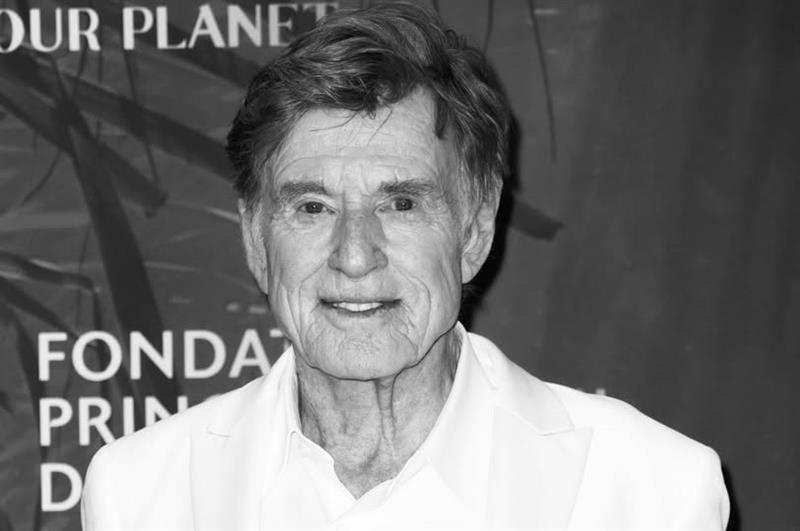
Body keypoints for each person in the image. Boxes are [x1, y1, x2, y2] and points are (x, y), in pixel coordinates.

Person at [81, 3, 729, 529]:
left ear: (475, 228)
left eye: (401, 203)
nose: (354, 255)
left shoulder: (651, 491)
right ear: (255, 236)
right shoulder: (141, 494)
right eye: (312, 206)